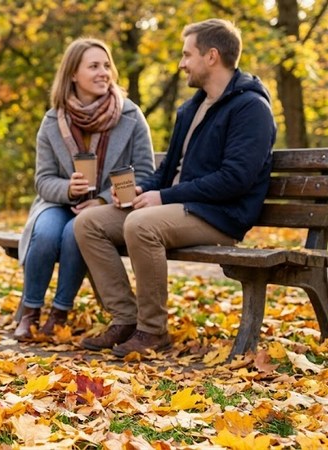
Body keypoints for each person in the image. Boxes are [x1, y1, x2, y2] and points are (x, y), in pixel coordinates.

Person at [74, 19, 276, 357]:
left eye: (187, 55)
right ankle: (125, 319)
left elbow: (235, 179)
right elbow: (167, 171)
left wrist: (164, 197)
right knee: (88, 223)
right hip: (180, 207)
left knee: (141, 224)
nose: (181, 63)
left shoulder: (250, 108)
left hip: (220, 214)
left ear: (211, 56)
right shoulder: (192, 108)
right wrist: (143, 190)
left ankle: (152, 331)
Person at [14, 37, 155, 341]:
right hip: (59, 203)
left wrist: (104, 199)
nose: (104, 72)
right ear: (73, 75)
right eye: (94, 66)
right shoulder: (53, 120)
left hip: (108, 209)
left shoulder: (130, 116)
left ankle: (60, 312)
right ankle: (30, 310)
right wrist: (69, 188)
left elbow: (145, 172)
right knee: (46, 232)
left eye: (107, 66)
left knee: (75, 231)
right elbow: (43, 179)